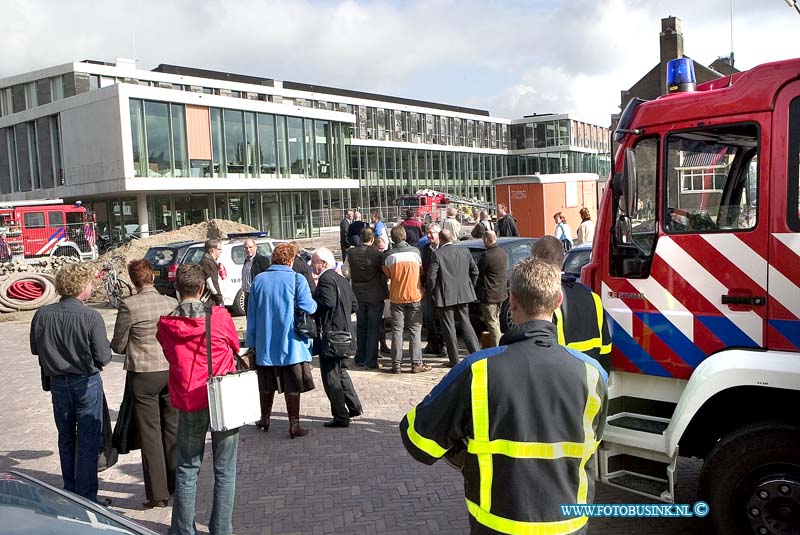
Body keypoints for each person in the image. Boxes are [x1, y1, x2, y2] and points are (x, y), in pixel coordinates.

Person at [400, 258, 609, 535]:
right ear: (558, 300)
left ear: (511, 300)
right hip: (568, 525)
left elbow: (418, 440)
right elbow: (592, 441)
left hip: (496, 523)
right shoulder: (593, 375)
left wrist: (461, 448)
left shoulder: (478, 370)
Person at [156, 264, 240, 535]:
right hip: (222, 397)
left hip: (190, 398)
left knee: (187, 468)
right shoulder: (219, 316)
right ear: (203, 288)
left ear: (177, 289)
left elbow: (171, 356)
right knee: (225, 469)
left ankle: (182, 529)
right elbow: (235, 345)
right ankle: (221, 530)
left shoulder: (167, 324)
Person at [30, 263, 112, 505]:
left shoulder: (42, 314)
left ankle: (70, 489)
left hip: (58, 383)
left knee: (66, 437)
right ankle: (86, 497)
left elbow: (36, 349)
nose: (91, 287)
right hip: (85, 382)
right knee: (87, 439)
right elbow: (104, 356)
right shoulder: (90, 316)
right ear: (81, 288)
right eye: (89, 284)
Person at [111, 259, 178, 509]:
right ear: (152, 276)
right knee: (172, 428)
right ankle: (176, 484)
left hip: (144, 374)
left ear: (133, 280)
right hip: (170, 371)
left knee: (150, 433)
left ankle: (157, 494)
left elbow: (118, 345)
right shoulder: (170, 303)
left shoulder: (129, 305)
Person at [245, 243, 317, 438]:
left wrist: (250, 342)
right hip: (291, 344)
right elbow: (309, 307)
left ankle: (265, 419)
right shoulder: (297, 279)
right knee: (293, 385)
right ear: (291, 260)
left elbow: (250, 315)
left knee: (266, 384)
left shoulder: (259, 280)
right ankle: (294, 424)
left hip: (265, 344)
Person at [531, 235, 612, 372]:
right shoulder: (593, 297)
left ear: (535, 260)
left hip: (562, 380)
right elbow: (606, 348)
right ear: (562, 259)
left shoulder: (543, 299)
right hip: (591, 377)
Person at [312, 247, 363, 427]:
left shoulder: (326, 279)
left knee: (331, 376)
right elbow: (354, 304)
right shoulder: (341, 279)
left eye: (314, 261)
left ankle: (341, 416)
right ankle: (354, 406)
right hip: (345, 332)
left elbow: (327, 302)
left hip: (332, 335)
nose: (311, 265)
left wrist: (312, 307)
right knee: (340, 371)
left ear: (323, 263)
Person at [427, 229, 481, 367]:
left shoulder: (437, 254)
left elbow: (431, 277)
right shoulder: (464, 251)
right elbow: (475, 271)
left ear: (441, 239)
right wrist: (469, 286)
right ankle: (476, 354)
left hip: (445, 294)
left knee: (448, 327)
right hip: (463, 293)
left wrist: (432, 292)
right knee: (466, 323)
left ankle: (454, 359)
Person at [382, 225, 431, 374]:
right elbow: (421, 270)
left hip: (397, 297)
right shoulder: (416, 252)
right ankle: (416, 363)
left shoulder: (388, 256)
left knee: (397, 331)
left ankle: (396, 364)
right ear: (404, 237)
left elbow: (387, 274)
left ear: (392, 238)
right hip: (414, 295)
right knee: (415, 330)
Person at [346, 227, 388, 369]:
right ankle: (370, 361)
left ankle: (360, 357)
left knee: (361, 327)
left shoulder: (351, 253)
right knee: (373, 328)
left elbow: (346, 272)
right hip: (375, 294)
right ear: (372, 239)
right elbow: (385, 272)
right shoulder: (376, 254)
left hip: (358, 293)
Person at [476, 231, 507, 348]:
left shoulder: (487, 255)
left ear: (487, 240)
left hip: (490, 294)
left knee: (491, 322)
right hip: (501, 292)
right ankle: (497, 344)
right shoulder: (502, 253)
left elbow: (479, 271)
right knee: (496, 320)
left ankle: (497, 348)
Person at [420, 224, 443, 356]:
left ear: (438, 234)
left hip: (442, 288)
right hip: (429, 288)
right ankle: (433, 345)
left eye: (431, 233)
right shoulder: (425, 249)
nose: (429, 236)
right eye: (427, 233)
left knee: (442, 319)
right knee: (429, 318)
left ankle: (443, 345)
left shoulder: (443, 248)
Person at [241, 238, 270, 313]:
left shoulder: (262, 260)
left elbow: (267, 279)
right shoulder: (246, 261)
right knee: (249, 320)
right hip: (247, 295)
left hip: (258, 295)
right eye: (246, 248)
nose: (248, 250)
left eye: (250, 247)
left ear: (255, 247)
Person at [200, 239, 224, 306]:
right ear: (213, 250)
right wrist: (219, 299)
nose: (221, 252)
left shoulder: (208, 261)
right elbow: (212, 283)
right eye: (219, 249)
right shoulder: (208, 263)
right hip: (209, 300)